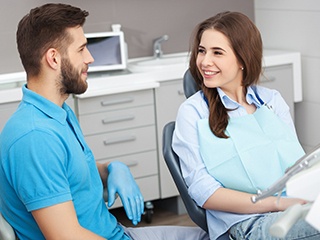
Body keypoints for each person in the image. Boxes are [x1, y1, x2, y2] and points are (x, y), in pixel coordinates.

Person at [0, 3, 210, 240]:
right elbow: (66, 237)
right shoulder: (35, 137)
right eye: (81, 49)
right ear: (54, 58)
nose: (90, 58)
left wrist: (111, 169)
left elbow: (70, 173)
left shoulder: (58, 113)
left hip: (116, 233)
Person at [172, 11, 320, 240]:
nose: (204, 61)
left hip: (293, 205)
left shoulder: (271, 101)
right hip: (246, 223)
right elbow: (204, 192)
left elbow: (295, 167)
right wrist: (277, 203)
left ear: (242, 58)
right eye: (202, 51)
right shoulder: (193, 112)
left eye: (217, 52)